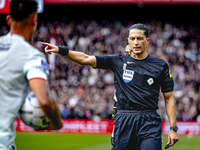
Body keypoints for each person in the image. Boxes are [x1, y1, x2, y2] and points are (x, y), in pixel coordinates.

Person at [41, 23, 179, 150]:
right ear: (128, 40)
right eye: (132, 39)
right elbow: (85, 58)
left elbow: (169, 98)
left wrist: (173, 128)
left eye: (140, 38)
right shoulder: (117, 61)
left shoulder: (160, 65)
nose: (136, 42)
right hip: (124, 119)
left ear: (147, 40)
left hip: (149, 121)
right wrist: (61, 50)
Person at [0, 0, 63, 149]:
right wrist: (57, 123)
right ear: (34, 20)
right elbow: (44, 100)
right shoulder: (31, 55)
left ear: (9, 20)